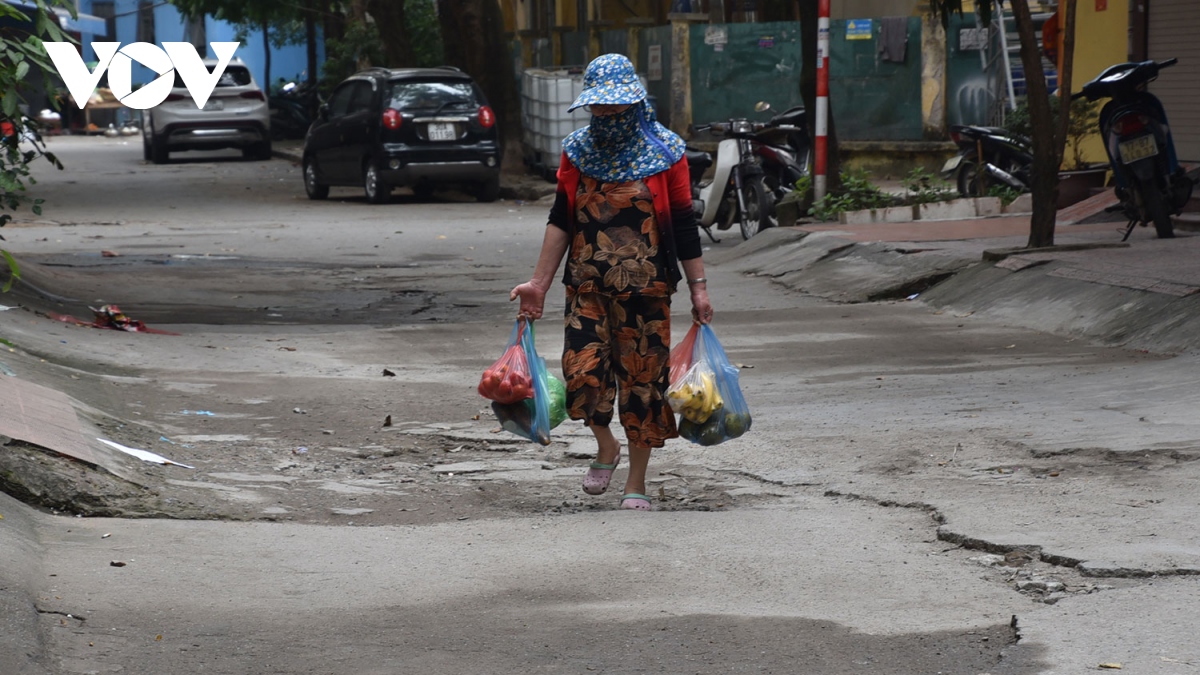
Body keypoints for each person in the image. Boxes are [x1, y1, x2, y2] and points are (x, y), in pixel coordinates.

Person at [510, 54, 713, 511]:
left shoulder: (667, 152)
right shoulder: (577, 150)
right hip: (586, 288)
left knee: (643, 385)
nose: (604, 115)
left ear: (636, 104)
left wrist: (699, 288)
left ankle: (636, 483)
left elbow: (683, 225)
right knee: (583, 377)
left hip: (648, 292)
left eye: (614, 108)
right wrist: (538, 284)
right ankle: (606, 446)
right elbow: (561, 218)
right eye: (597, 107)